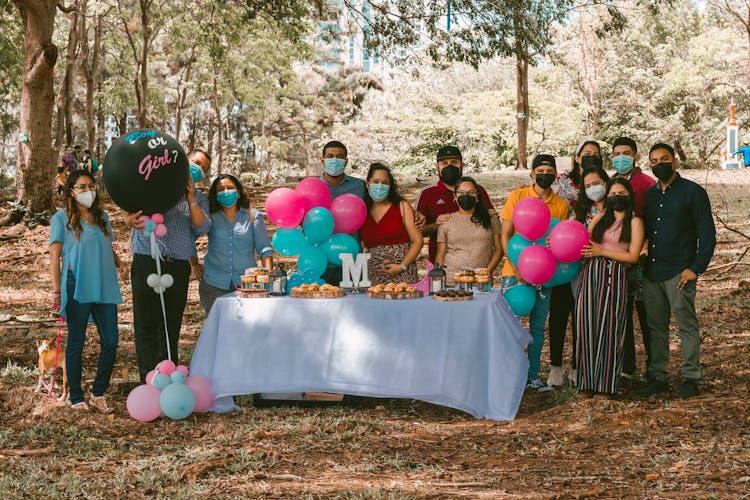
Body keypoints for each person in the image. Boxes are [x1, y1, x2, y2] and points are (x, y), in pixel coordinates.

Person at [637, 143, 716, 399]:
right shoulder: (650, 196)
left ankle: (691, 378)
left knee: (686, 326)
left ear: (675, 161)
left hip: (680, 273)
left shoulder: (693, 192)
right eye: (654, 160)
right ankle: (658, 376)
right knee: (656, 327)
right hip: (652, 272)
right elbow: (647, 232)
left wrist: (696, 268)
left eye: (665, 158)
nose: (660, 163)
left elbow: (707, 234)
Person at [49, 170, 125, 412]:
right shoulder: (61, 219)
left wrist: (119, 263)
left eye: (91, 186)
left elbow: (106, 245)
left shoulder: (102, 217)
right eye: (81, 187)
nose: (87, 191)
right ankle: (77, 397)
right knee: (76, 343)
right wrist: (55, 291)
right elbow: (54, 256)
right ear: (71, 191)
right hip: (76, 284)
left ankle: (98, 392)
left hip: (104, 285)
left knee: (111, 341)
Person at [123, 175, 211, 383]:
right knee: (145, 324)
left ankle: (169, 377)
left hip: (177, 266)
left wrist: (191, 199)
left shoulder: (198, 197)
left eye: (202, 168)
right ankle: (148, 380)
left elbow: (203, 228)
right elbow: (129, 210)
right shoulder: (148, 188)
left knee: (171, 324)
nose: (195, 171)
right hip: (147, 260)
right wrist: (127, 219)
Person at [500, 154, 569, 392]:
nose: (545, 174)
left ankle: (532, 375)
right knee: (510, 325)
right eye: (540, 169)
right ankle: (508, 373)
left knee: (538, 327)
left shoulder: (561, 205)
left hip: (544, 276)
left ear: (555, 175)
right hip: (514, 274)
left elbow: (560, 242)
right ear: (532, 173)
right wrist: (518, 267)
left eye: (550, 170)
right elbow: (505, 235)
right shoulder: (517, 197)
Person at [576, 178, 644, 395]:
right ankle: (586, 383)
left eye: (621, 193)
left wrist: (602, 252)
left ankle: (605, 384)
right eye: (612, 193)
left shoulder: (634, 223)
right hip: (590, 274)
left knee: (610, 328)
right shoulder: (598, 219)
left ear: (629, 196)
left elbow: (633, 256)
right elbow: (582, 243)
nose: (616, 197)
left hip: (615, 276)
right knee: (586, 326)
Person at [547, 166, 611, 387]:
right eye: (588, 186)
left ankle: (580, 367)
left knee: (586, 321)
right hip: (571, 271)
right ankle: (557, 367)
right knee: (562, 315)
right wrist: (554, 243)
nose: (593, 189)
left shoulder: (616, 210)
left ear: (606, 182)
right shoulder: (579, 213)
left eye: (596, 183)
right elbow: (566, 236)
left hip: (602, 272)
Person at [611, 136, 656, 378]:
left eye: (626, 152)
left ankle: (653, 367)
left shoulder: (646, 184)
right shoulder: (612, 184)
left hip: (642, 259)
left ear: (636, 156)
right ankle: (627, 367)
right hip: (618, 259)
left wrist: (647, 245)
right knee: (622, 315)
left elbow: (654, 220)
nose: (621, 157)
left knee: (647, 314)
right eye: (617, 153)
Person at [199, 174, 273, 314]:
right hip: (214, 285)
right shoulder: (210, 217)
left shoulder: (252, 216)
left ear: (238, 192)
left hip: (248, 285)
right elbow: (192, 233)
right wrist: (194, 264)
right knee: (218, 330)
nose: (226, 191)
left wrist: (268, 276)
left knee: (246, 330)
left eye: (230, 188)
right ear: (216, 195)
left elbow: (264, 249)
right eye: (221, 189)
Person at [415, 145, 494, 263]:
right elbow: (418, 231)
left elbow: (491, 222)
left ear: (462, 165)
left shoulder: (477, 190)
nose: (449, 166)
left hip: (477, 263)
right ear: (437, 167)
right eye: (444, 163)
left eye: (454, 162)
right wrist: (436, 225)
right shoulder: (427, 194)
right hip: (442, 265)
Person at [359, 163, 422, 285]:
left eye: (385, 183)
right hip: (373, 277)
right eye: (376, 182)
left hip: (403, 274)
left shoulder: (402, 206)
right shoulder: (362, 211)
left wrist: (402, 266)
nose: (380, 186)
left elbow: (418, 241)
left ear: (390, 186)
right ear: (368, 184)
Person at [435, 176, 503, 285]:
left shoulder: (491, 219)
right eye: (461, 192)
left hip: (481, 282)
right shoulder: (445, 221)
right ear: (455, 196)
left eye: (471, 192)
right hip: (451, 282)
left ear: (477, 196)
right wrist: (439, 281)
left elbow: (499, 250)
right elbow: (440, 255)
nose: (466, 196)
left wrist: (486, 272)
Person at [318, 140, 366, 284]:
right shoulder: (312, 188)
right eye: (330, 156)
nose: (335, 160)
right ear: (322, 160)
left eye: (339, 157)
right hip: (320, 261)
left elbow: (379, 206)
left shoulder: (360, 186)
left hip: (353, 261)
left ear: (345, 162)